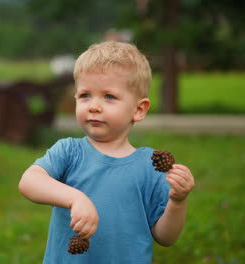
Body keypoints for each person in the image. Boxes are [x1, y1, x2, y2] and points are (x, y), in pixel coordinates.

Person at [18, 41, 195, 263]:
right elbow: (29, 181)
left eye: (109, 96)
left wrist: (178, 202)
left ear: (139, 110)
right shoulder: (70, 151)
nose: (93, 106)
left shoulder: (149, 167)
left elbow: (165, 236)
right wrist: (75, 198)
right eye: (85, 95)